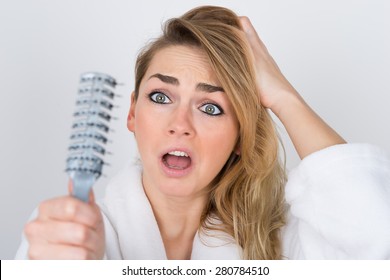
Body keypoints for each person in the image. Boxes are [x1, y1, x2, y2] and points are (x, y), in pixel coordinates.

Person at [16, 6, 390, 260]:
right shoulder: (66, 236)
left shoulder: (279, 244)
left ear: (241, 139)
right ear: (132, 113)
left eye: (210, 107)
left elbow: (372, 237)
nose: (180, 123)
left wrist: (283, 96)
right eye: (161, 96)